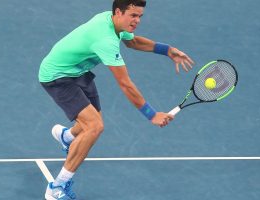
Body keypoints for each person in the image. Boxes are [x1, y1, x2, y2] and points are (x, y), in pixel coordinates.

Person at [39, 0, 194, 199]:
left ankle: (67, 137)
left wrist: (166, 49)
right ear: (119, 12)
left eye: (140, 16)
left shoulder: (111, 20)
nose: (137, 20)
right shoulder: (105, 39)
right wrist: (151, 114)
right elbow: (125, 84)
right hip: (57, 76)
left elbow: (132, 41)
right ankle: (57, 186)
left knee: (92, 120)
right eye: (133, 15)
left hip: (77, 70)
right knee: (94, 126)